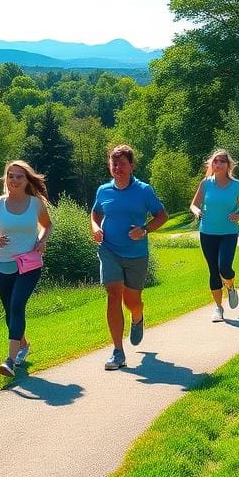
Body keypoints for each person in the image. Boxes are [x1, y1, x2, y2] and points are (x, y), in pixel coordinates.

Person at [91, 145, 168, 370]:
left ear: (132, 166)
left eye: (122, 163)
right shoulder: (103, 190)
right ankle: (118, 351)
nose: (117, 167)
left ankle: (138, 316)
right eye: (114, 164)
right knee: (113, 294)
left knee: (131, 301)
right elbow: (96, 212)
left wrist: (144, 229)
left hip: (136, 254)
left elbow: (162, 215)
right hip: (109, 250)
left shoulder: (144, 190)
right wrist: (95, 227)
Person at [0, 160, 53, 379]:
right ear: (6, 179)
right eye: (11, 176)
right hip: (2, 264)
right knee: (9, 312)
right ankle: (23, 344)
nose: (14, 180)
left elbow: (47, 225)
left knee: (17, 305)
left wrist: (41, 241)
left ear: (27, 179)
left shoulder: (35, 204)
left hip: (28, 264)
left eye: (19, 176)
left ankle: (9, 360)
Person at [190, 149, 239, 322]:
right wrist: (197, 211)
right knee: (213, 271)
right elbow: (193, 205)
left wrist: (238, 216)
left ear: (228, 165)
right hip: (207, 232)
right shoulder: (206, 183)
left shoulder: (236, 185)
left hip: (228, 233)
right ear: (212, 164)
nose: (218, 164)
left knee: (224, 267)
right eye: (215, 161)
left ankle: (230, 286)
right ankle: (218, 308)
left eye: (222, 161)